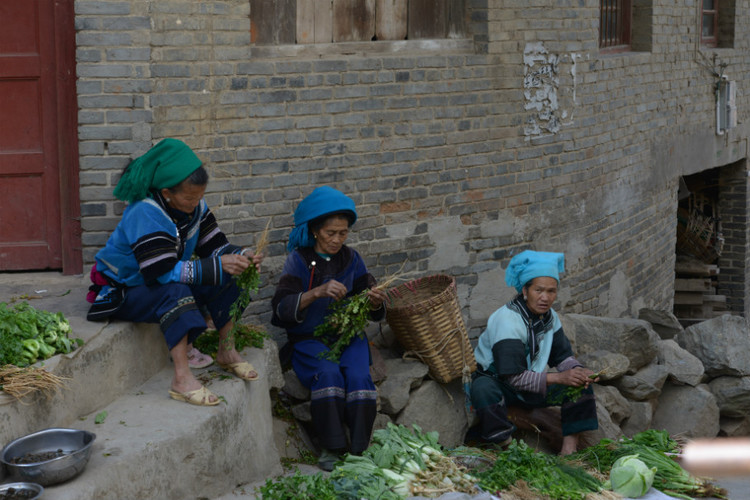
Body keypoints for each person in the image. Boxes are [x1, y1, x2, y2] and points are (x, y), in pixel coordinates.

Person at [86, 138, 264, 406]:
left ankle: (227, 351)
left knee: (230, 274)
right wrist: (218, 265)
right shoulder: (144, 212)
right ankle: (182, 378)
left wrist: (241, 256)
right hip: (124, 289)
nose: (197, 203)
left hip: (160, 277)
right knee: (175, 291)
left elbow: (215, 245)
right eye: (190, 197)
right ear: (167, 193)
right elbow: (160, 272)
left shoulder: (194, 207)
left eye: (200, 196)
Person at [271, 186, 388, 471]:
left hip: (347, 338)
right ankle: (332, 448)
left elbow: (373, 309)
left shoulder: (352, 259)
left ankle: (359, 448)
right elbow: (281, 308)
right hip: (309, 340)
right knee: (328, 374)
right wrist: (316, 292)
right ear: (314, 231)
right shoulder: (298, 260)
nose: (337, 240)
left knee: (360, 378)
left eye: (343, 233)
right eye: (330, 233)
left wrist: (374, 300)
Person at [470, 250, 599, 455]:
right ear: (525, 290)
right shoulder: (507, 321)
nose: (545, 298)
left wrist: (576, 371)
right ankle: (506, 446)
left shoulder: (550, 317)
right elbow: (514, 378)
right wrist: (559, 377)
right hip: (501, 383)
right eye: (538, 290)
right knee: (483, 389)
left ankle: (569, 451)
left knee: (579, 386)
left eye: (551, 291)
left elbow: (562, 356)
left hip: (529, 386)